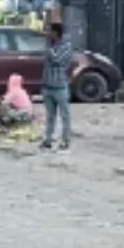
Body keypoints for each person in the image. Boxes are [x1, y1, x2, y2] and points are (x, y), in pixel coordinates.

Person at [40, 20, 73, 151]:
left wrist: (48, 48)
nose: (47, 33)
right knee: (50, 116)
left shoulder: (65, 46)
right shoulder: (50, 45)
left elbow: (57, 60)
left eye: (49, 31)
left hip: (60, 85)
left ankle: (65, 140)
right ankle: (48, 139)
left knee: (65, 115)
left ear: (55, 33)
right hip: (47, 85)